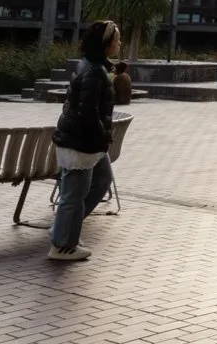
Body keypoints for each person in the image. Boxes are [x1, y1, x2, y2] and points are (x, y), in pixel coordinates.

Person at [49, 20, 120, 262]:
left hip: (86, 140)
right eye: (117, 40)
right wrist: (103, 136)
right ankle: (62, 244)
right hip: (82, 141)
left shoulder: (94, 66)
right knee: (74, 193)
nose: (119, 44)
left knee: (101, 180)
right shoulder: (93, 70)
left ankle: (64, 229)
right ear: (106, 44)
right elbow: (88, 111)